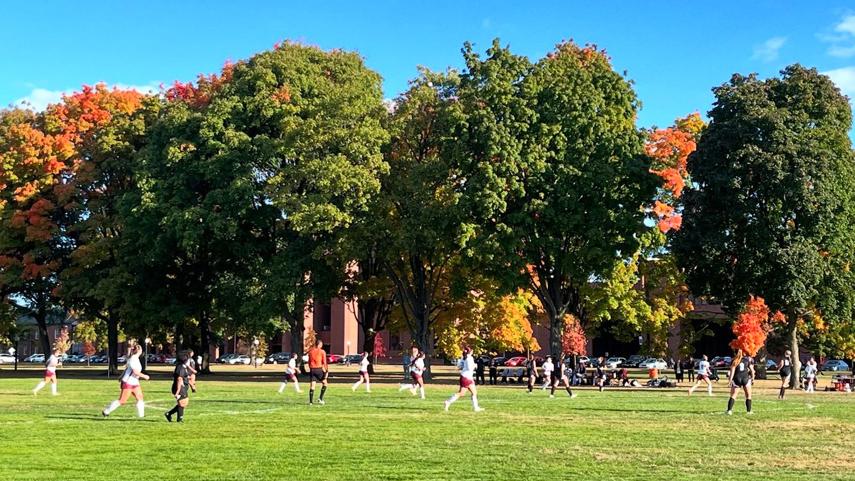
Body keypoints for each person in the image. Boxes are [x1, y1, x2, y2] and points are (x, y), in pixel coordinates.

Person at [102, 344, 150, 418]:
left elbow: (127, 369)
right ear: (139, 351)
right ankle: (106, 411)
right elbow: (135, 372)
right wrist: (145, 376)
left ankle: (141, 416)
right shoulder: (133, 359)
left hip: (135, 382)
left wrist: (120, 376)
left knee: (140, 398)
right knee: (122, 401)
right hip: (128, 383)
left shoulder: (136, 359)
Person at [444, 346, 483, 412]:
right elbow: (470, 368)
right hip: (467, 377)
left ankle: (476, 407)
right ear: (470, 351)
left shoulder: (464, 357)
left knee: (473, 392)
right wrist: (475, 366)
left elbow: (459, 366)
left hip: (465, 376)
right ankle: (448, 402)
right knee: (462, 393)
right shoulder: (469, 358)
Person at [726, 349, 755, 415]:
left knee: (733, 395)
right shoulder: (746, 360)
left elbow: (732, 372)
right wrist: (753, 378)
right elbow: (752, 370)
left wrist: (730, 381)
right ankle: (749, 411)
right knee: (748, 395)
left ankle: (729, 410)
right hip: (746, 378)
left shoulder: (734, 360)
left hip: (737, 379)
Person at [165, 352, 190, 423]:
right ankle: (179, 419)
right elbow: (179, 379)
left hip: (183, 387)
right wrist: (178, 391)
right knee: (182, 403)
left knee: (185, 402)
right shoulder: (181, 367)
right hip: (179, 388)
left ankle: (169, 414)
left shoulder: (181, 366)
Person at [307, 339, 329, 405]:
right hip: (318, 369)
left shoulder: (310, 351)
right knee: (325, 383)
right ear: (319, 344)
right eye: (321, 345)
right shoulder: (322, 351)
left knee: (312, 385)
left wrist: (310, 368)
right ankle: (320, 398)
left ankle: (311, 402)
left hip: (312, 369)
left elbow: (309, 361)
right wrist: (326, 371)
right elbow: (324, 362)